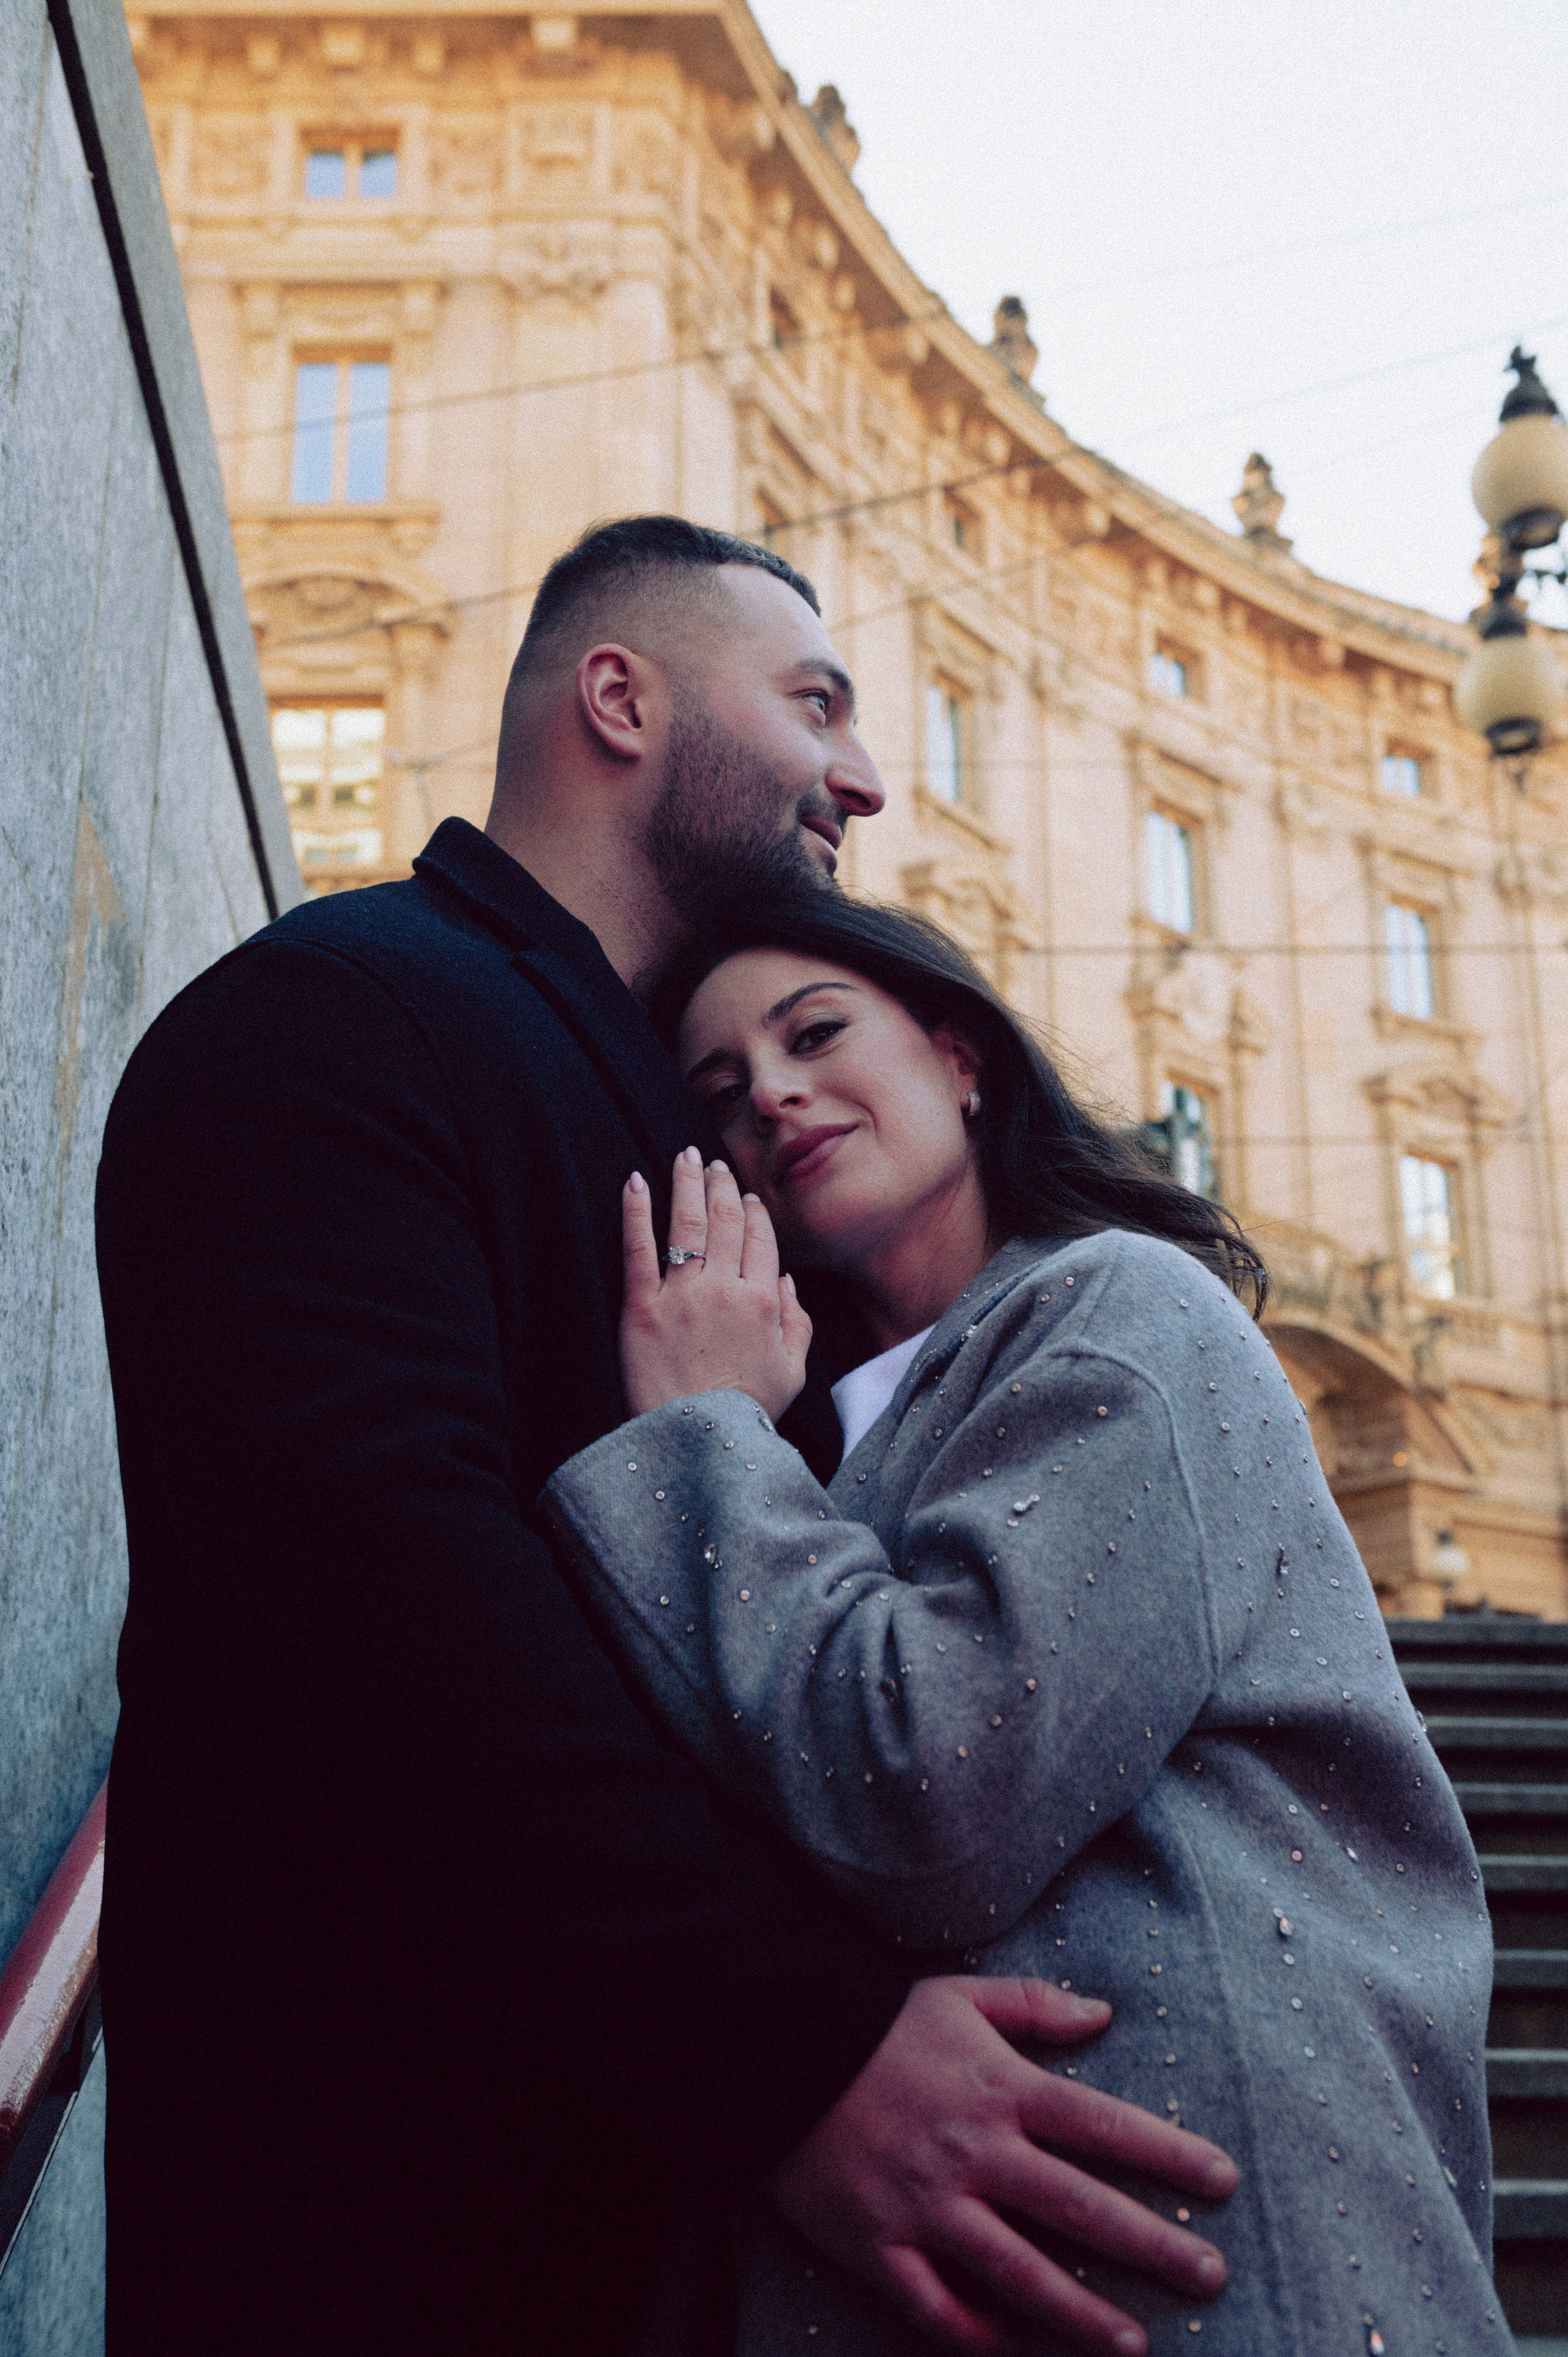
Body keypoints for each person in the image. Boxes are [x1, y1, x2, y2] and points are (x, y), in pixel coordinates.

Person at [96, 518, 1237, 2357]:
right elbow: (369, 1598)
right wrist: (797, 2053)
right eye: (815, 705)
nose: (863, 779)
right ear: (619, 701)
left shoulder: (714, 1150)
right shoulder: (342, 1013)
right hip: (388, 2240)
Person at [541, 889, 1504, 2355]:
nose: (771, 1096)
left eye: (814, 1033)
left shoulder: (1125, 1303)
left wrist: (701, 1431)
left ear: (960, 1059)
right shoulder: (828, 1445)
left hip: (1208, 2232)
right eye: (720, 1095)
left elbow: (937, 1779)